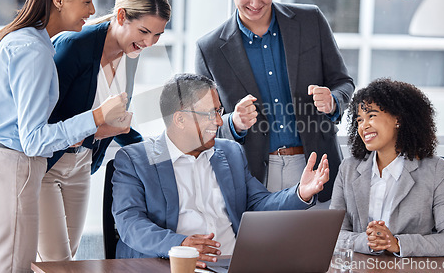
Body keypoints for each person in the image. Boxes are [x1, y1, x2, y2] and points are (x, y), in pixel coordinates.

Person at [0, 0, 128, 272]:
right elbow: (33, 141)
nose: (93, 10)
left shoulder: (16, 40)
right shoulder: (34, 51)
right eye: (86, 0)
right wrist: (96, 117)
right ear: (58, 0)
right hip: (11, 170)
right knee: (13, 268)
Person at [112, 73, 330, 269]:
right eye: (209, 113)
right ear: (180, 119)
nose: (218, 121)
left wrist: (301, 192)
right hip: (172, 264)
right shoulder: (134, 159)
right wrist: (180, 245)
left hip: (231, 263)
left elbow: (258, 204)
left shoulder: (230, 151)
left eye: (218, 111)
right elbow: (130, 223)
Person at [195, 0, 354, 201]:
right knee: (262, 243)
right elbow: (203, 126)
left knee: (321, 242)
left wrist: (334, 100)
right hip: (254, 175)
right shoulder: (209, 49)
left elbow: (343, 82)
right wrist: (233, 122)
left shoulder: (310, 20)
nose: (255, 3)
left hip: (317, 166)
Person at [37, 0, 171, 261]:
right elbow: (43, 122)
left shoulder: (131, 53)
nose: (148, 43)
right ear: (121, 16)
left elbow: (114, 120)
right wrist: (100, 130)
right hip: (47, 166)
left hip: (82, 166)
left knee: (67, 257)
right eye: (144, 31)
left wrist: (153, 149)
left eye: (157, 34)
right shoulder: (74, 46)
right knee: (56, 260)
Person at [330, 78, 444, 258]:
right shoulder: (348, 168)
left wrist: (396, 243)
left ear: (398, 119)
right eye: (359, 120)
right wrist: (369, 242)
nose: (364, 126)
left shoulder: (434, 170)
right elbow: (332, 235)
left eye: (372, 116)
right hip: (361, 268)